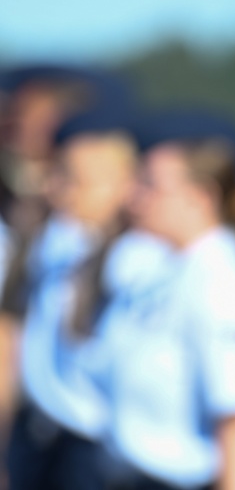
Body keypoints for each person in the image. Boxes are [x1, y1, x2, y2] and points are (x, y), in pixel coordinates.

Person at [97, 110, 235, 490]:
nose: (133, 196)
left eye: (150, 185)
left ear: (201, 197)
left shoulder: (224, 288)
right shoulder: (169, 270)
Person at [3, 108, 137, 490]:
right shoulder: (44, 242)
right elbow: (9, 330)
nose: (56, 190)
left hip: (96, 444)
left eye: (76, 181)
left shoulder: (137, 261)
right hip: (37, 431)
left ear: (123, 186)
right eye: (57, 175)